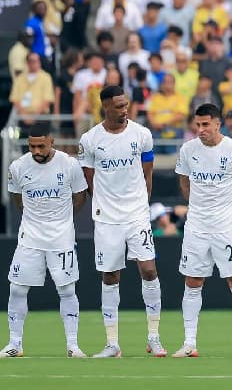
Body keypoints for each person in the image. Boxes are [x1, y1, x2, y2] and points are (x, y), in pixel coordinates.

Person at [77, 86, 166, 358]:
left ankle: (154, 337)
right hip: (107, 219)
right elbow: (89, 179)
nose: (124, 110)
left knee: (149, 270)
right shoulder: (90, 140)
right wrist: (104, 205)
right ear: (105, 106)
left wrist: (141, 205)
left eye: (125, 104)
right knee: (110, 275)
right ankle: (112, 344)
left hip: (136, 214)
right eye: (118, 106)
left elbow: (147, 174)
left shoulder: (142, 134)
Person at [171, 104, 232, 358]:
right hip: (196, 226)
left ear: (218, 124)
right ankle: (189, 343)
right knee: (192, 281)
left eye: (205, 124)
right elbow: (184, 181)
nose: (200, 130)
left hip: (226, 226)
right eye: (197, 125)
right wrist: (197, 208)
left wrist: (229, 213)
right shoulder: (187, 150)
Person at [1, 122, 88, 358]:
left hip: (61, 238)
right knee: (17, 288)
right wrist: (34, 220)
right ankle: (15, 344)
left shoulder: (69, 164)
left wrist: (63, 220)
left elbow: (80, 196)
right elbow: (17, 198)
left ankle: (72, 345)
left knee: (67, 289)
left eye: (41, 146)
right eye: (32, 146)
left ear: (52, 141)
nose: (36, 151)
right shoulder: (18, 167)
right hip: (30, 237)